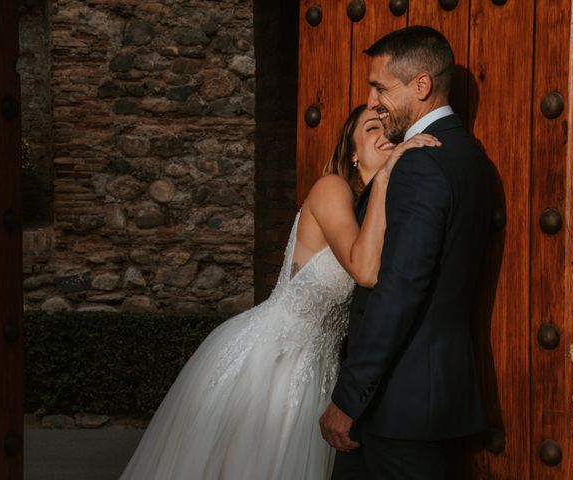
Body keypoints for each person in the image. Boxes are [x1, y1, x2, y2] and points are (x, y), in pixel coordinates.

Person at [118, 105, 440, 480]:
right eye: (371, 129)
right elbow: (365, 271)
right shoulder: (331, 188)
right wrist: (385, 177)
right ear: (352, 153)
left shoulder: (377, 209)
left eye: (388, 127)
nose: (384, 134)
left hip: (320, 368)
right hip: (270, 359)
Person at [319, 26, 494, 480]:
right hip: (422, 393)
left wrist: (348, 398)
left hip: (398, 401)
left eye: (380, 86)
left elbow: (398, 291)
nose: (373, 99)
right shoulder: (469, 155)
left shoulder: (422, 162)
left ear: (421, 85)